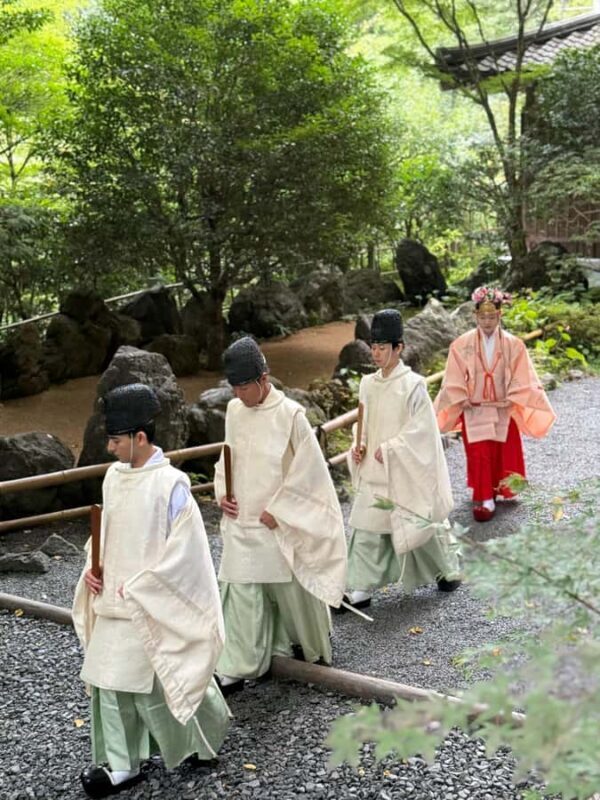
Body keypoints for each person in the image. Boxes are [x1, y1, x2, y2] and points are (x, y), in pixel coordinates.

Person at [72, 383, 230, 799]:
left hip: (151, 597)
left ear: (140, 438)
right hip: (115, 600)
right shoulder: (113, 477)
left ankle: (204, 741)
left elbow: (188, 551)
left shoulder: (172, 485)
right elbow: (104, 535)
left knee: (171, 672)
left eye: (116, 439)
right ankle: (124, 765)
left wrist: (148, 587)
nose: (109, 448)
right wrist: (93, 568)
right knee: (110, 680)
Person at [214, 337, 347, 694]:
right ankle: (238, 663)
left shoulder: (291, 415)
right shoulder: (234, 411)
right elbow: (227, 459)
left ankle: (310, 647)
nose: (240, 394)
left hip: (276, 518)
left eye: (245, 386)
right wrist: (223, 493)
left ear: (263, 379)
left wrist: (282, 510)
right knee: (240, 591)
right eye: (235, 387)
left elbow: (309, 473)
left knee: (292, 592)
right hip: (242, 518)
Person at [342, 308, 461, 612]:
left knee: (421, 521)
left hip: (403, 464)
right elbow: (363, 423)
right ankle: (360, 587)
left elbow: (423, 429)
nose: (376, 353)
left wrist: (394, 447)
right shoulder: (367, 384)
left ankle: (448, 568)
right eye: (374, 346)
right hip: (376, 467)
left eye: (383, 347)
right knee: (367, 526)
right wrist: (361, 445)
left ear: (399, 348)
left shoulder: (414, 386)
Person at [434, 286, 556, 521]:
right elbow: (453, 376)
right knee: (479, 453)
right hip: (475, 407)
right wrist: (461, 396)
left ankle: (497, 490)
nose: (487, 322)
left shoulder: (514, 344)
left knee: (501, 450)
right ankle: (484, 498)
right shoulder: (461, 344)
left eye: (491, 317)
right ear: (475, 316)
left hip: (502, 406)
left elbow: (523, 375)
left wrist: (513, 396)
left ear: (499, 315)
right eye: (482, 317)